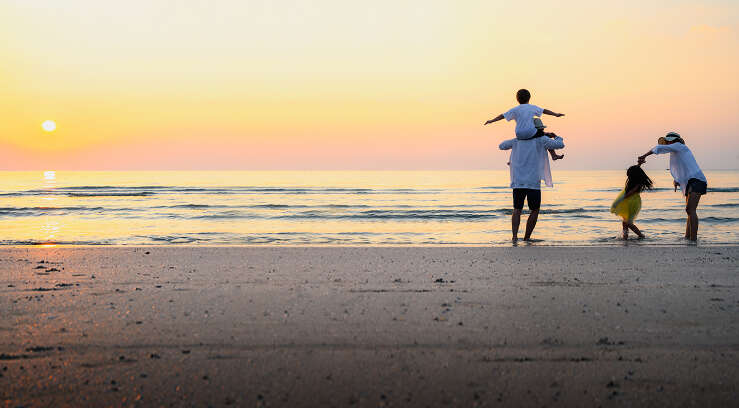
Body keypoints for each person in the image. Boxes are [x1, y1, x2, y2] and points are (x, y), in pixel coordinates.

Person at [638, 132, 707, 241]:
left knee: (690, 210)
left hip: (697, 180)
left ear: (673, 140)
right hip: (691, 182)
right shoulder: (676, 152)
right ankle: (687, 238)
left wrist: (644, 156)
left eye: (668, 141)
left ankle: (693, 239)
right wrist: (677, 180)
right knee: (689, 211)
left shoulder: (680, 146)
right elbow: (682, 168)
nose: (667, 143)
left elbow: (658, 148)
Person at [499, 132, 564, 242]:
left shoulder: (516, 141)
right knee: (535, 210)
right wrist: (556, 135)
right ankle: (527, 237)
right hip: (533, 182)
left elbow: (501, 145)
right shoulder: (542, 140)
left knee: (517, 209)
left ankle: (514, 237)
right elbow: (560, 144)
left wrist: (517, 139)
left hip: (519, 182)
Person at [484, 88, 565, 161]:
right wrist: (556, 114)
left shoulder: (514, 109)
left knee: (520, 142)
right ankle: (553, 155)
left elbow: (502, 116)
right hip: (530, 132)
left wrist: (491, 120)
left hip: (519, 134)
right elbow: (544, 111)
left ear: (517, 99)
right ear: (529, 98)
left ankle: (512, 160)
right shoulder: (532, 107)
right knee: (547, 135)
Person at [610, 165, 653, 239]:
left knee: (628, 223)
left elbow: (630, 193)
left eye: (629, 175)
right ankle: (625, 237)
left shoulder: (638, 183)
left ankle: (641, 236)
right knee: (625, 222)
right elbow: (636, 169)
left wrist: (618, 201)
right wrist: (639, 163)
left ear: (634, 175)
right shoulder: (633, 181)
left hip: (633, 203)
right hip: (628, 203)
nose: (628, 177)